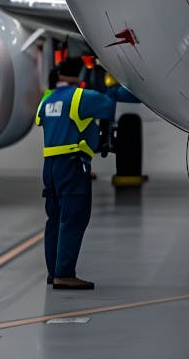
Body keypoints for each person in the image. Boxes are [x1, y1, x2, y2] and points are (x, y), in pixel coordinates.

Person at [37, 57, 139, 291]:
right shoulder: (81, 97)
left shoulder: (48, 98)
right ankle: (65, 274)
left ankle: (54, 272)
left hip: (50, 165)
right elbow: (113, 102)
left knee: (54, 220)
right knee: (73, 219)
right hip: (72, 165)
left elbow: (41, 119)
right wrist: (114, 83)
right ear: (82, 73)